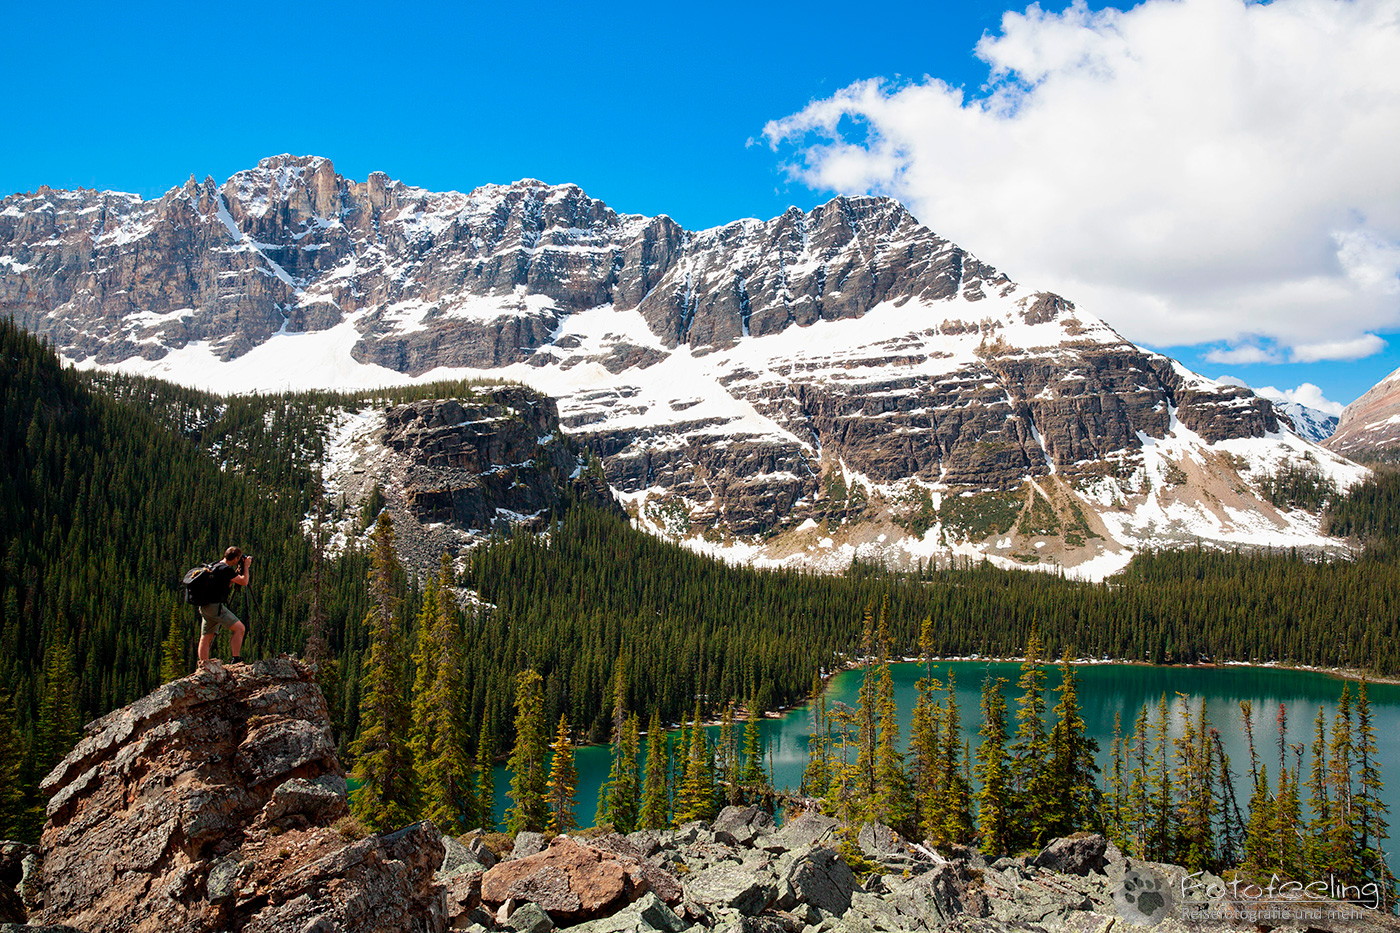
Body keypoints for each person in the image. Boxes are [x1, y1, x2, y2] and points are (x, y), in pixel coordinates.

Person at [197, 546, 250, 665]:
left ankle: (203, 664)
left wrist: (236, 573)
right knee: (240, 628)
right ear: (236, 558)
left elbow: (226, 583)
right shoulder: (226, 569)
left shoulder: (215, 565)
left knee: (206, 636)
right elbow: (244, 581)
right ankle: (235, 658)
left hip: (205, 606)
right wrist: (246, 567)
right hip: (215, 607)